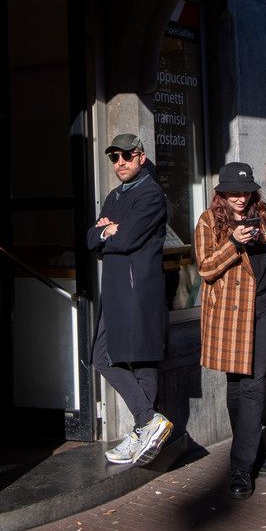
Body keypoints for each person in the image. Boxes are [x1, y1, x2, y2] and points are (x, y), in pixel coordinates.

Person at [195, 162, 266, 500]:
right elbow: (206, 268)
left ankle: (240, 468)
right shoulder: (209, 221)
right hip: (229, 313)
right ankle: (258, 452)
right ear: (221, 192)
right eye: (233, 192)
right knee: (235, 384)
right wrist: (234, 243)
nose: (240, 198)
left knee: (254, 382)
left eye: (245, 191)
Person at [86, 133, 173, 466]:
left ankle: (145, 425)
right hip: (116, 288)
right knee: (103, 357)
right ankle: (147, 422)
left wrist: (111, 232)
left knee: (142, 358)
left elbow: (128, 239)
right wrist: (108, 231)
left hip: (139, 289)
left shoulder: (150, 194)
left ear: (141, 156)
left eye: (126, 155)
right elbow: (93, 238)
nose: (120, 162)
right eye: (114, 157)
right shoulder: (114, 196)